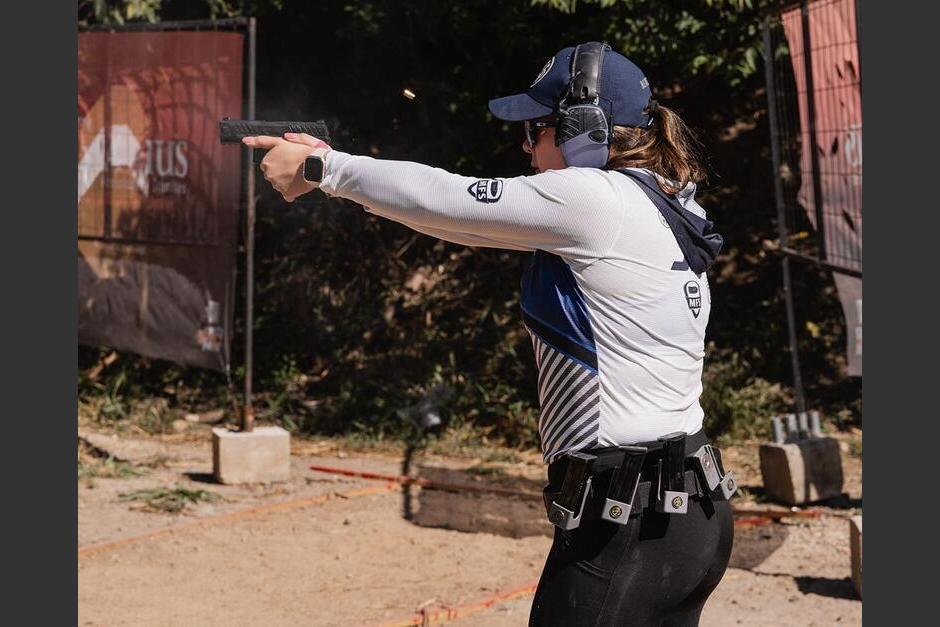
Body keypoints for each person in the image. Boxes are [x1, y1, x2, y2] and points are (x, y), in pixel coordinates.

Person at [245, 41, 734, 627]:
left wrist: (325, 169)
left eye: (536, 130)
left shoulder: (595, 199)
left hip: (625, 523)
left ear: (584, 129)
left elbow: (449, 199)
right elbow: (456, 222)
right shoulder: (661, 201)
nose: (526, 147)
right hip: (682, 513)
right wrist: (331, 168)